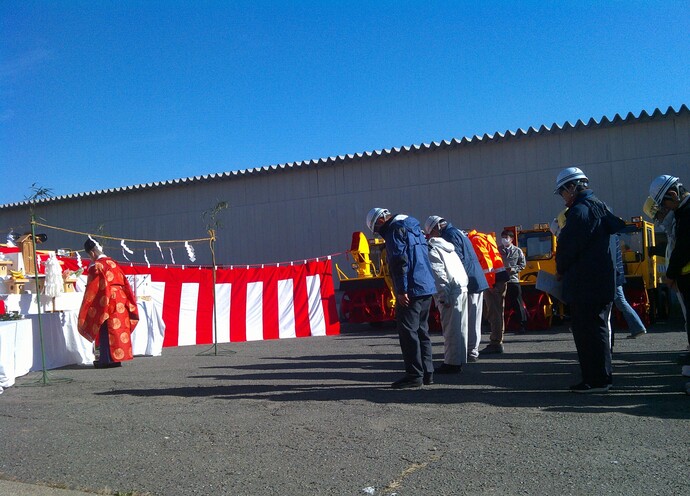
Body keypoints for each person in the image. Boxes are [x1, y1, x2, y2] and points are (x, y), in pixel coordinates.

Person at [554, 166, 625, 393]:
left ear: (572, 187)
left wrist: (560, 270)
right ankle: (602, 377)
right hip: (603, 282)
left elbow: (567, 248)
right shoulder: (601, 207)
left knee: (587, 334)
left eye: (563, 192)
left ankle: (595, 380)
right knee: (600, 330)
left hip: (585, 285)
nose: (563, 197)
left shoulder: (579, 212)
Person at [366, 208, 437, 388]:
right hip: (426, 286)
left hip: (411, 289)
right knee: (422, 330)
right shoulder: (414, 226)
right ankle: (428, 373)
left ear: (380, 220)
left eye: (376, 229)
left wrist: (402, 290)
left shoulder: (394, 230)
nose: (379, 233)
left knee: (408, 332)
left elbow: (399, 261)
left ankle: (414, 375)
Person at [424, 216, 489, 362]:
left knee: (467, 320)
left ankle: (470, 351)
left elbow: (455, 261)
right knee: (473, 319)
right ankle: (470, 350)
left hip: (466, 282)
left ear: (435, 228)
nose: (432, 238)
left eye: (431, 234)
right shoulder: (458, 232)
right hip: (475, 279)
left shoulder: (448, 236)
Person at [78, 238, 139, 369]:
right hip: (121, 297)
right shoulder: (114, 263)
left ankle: (106, 359)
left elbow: (93, 287)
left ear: (92, 253)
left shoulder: (97, 265)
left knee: (106, 327)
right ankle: (117, 358)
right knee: (119, 328)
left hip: (108, 298)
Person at [649, 175, 690, 358]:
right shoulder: (683, 212)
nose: (665, 210)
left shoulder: (686, 213)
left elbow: (683, 249)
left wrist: (671, 275)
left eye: (664, 205)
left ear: (673, 195)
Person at [424, 222, 469, 373]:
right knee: (461, 328)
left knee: (450, 330)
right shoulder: (450, 249)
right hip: (462, 287)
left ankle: (452, 363)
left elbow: (439, 274)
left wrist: (443, 296)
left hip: (451, 292)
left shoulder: (432, 250)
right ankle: (460, 359)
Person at [468, 229, 509, 354]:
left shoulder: (475, 240)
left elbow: (486, 262)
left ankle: (496, 342)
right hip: (500, 277)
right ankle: (498, 340)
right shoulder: (484, 237)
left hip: (494, 280)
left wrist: (490, 284)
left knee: (494, 312)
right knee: (498, 311)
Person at [612, 236, 647, 339]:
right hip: (617, 276)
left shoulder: (610, 237)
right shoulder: (614, 237)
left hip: (613, 277)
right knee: (621, 304)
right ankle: (638, 328)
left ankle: (638, 327)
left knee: (621, 304)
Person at [499, 229, 527, 333]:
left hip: (513, 280)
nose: (504, 240)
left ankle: (521, 325)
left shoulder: (517, 250)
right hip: (501, 281)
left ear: (512, 239)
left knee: (517, 303)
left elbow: (523, 265)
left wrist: (513, 269)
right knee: (501, 303)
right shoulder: (498, 250)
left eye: (506, 237)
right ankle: (503, 326)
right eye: (503, 237)